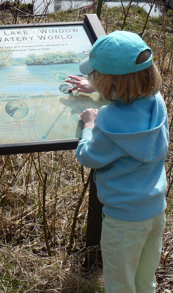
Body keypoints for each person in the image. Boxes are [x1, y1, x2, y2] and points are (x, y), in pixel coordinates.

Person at [66, 30, 169, 293]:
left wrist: (90, 124)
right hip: (155, 210)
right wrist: (100, 90)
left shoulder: (107, 120)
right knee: (145, 280)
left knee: (119, 284)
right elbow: (131, 100)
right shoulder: (157, 103)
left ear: (110, 81)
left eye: (98, 76)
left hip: (122, 220)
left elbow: (88, 156)